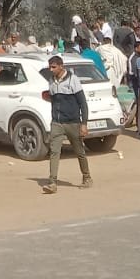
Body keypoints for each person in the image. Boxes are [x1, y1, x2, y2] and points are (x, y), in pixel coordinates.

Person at [42, 54, 92, 193]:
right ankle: (52, 182)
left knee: (79, 151)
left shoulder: (73, 80)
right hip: (57, 122)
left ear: (61, 66)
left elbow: (82, 103)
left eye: (54, 67)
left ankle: (87, 177)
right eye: (50, 67)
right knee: (54, 152)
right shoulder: (51, 80)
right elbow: (54, 99)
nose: (51, 70)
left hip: (72, 122)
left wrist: (84, 123)